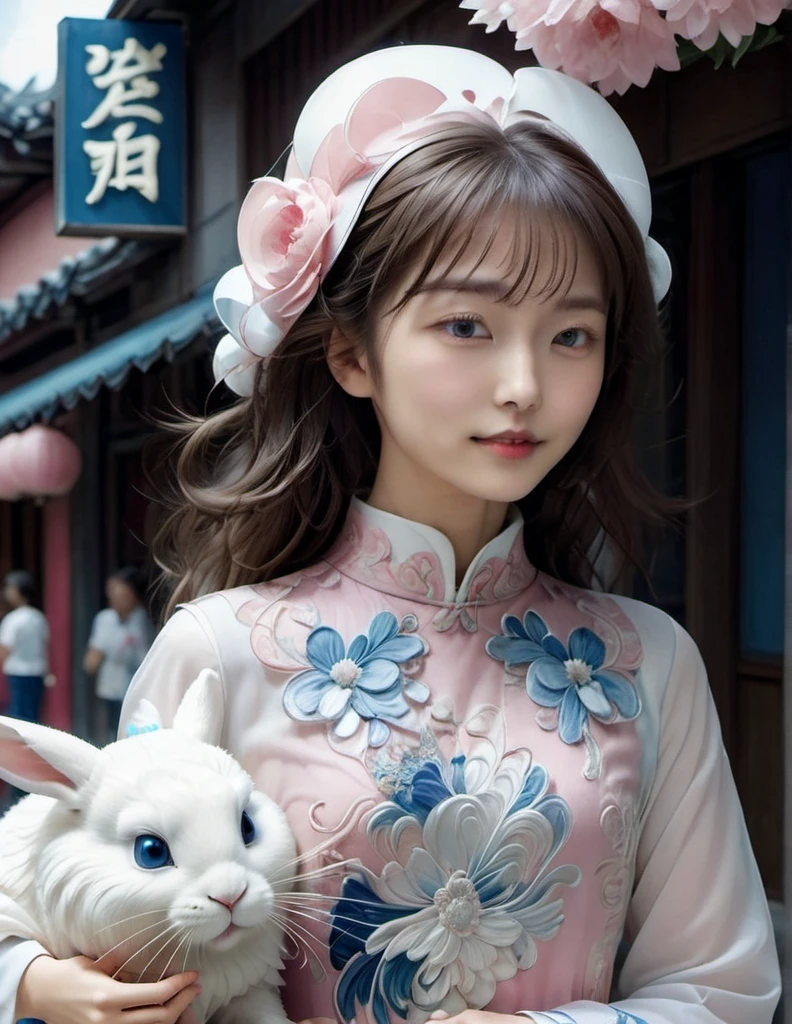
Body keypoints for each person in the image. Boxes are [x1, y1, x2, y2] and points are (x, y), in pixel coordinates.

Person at [4, 44, 781, 1024]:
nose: (524, 385)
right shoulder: (220, 651)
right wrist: (31, 980)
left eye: (571, 334)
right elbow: (100, 915)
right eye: (467, 325)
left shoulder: (649, 664)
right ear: (349, 350)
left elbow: (727, 989)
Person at [83, 566, 154, 743]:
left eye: (117, 590)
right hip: (111, 689)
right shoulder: (105, 619)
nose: (112, 596)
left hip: (140, 691)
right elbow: (90, 663)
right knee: (114, 734)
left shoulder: (144, 620)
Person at [0, 570, 50, 725]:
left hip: (17, 672)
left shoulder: (13, 619)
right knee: (32, 716)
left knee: (18, 718)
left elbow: (5, 649)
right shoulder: (38, 617)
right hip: (37, 671)